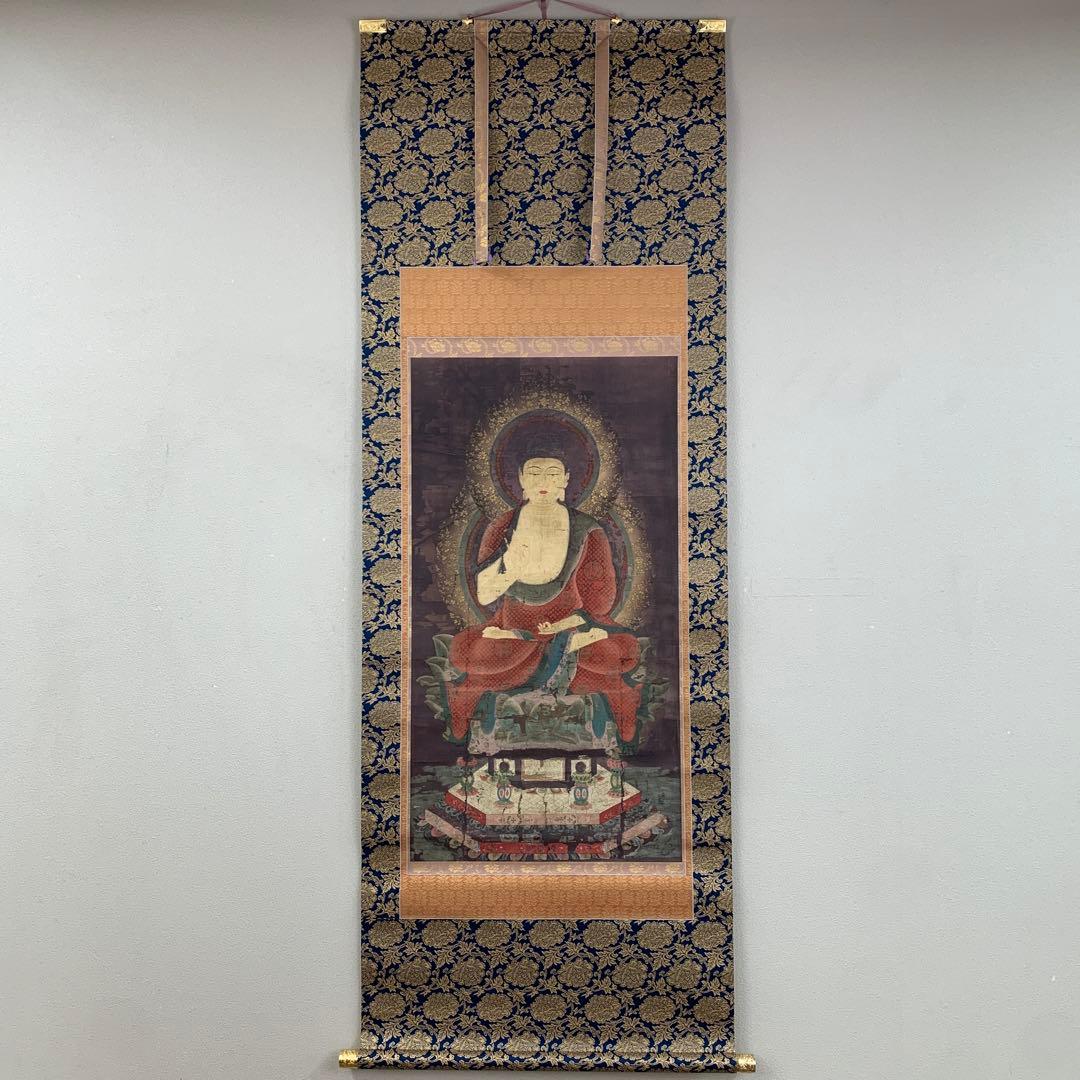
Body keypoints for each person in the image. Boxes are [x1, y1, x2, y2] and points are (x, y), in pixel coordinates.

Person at [445, 450, 643, 743]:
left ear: (565, 480)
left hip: (572, 628)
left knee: (609, 656)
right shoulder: (503, 526)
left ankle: (623, 731)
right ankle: (463, 729)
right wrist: (510, 566)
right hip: (513, 631)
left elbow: (599, 602)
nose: (543, 482)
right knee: (479, 655)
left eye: (552, 474)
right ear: (521, 479)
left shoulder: (586, 529)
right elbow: (484, 595)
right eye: (534, 473)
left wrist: (561, 629)